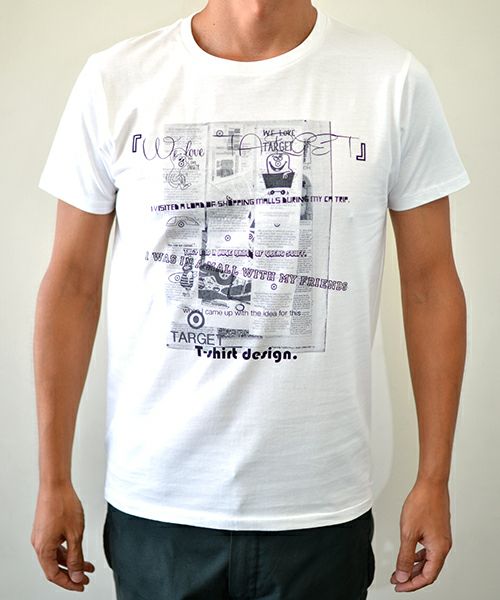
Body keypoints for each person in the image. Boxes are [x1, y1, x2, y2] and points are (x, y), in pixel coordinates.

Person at [31, 0, 470, 597]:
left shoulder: (391, 80)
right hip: (159, 507)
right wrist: (52, 479)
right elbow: (71, 284)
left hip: (318, 509)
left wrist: (435, 479)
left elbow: (431, 285)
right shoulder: (116, 78)